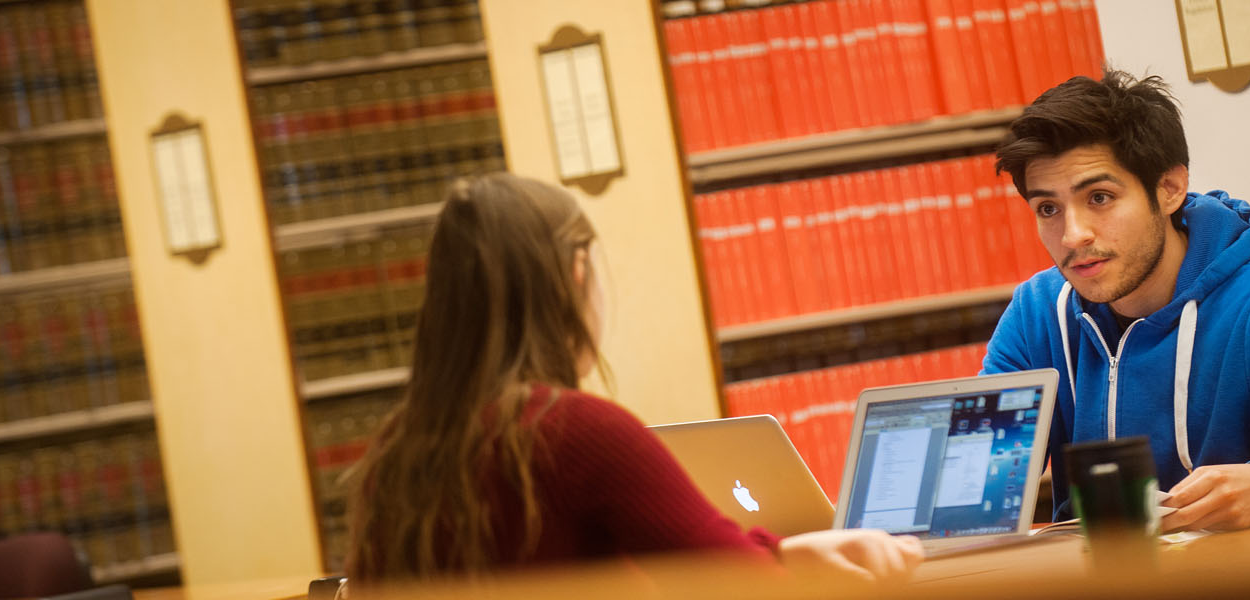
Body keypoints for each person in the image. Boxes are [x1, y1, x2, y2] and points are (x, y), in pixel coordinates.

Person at [341, 173, 922, 586]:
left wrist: (785, 551)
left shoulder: (395, 452)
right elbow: (739, 582)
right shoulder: (575, 431)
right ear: (574, 271)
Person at [984, 70, 1250, 533]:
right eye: (1048, 209)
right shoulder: (1038, 312)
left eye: (1099, 197)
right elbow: (988, 475)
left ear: (1170, 189)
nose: (1073, 235)